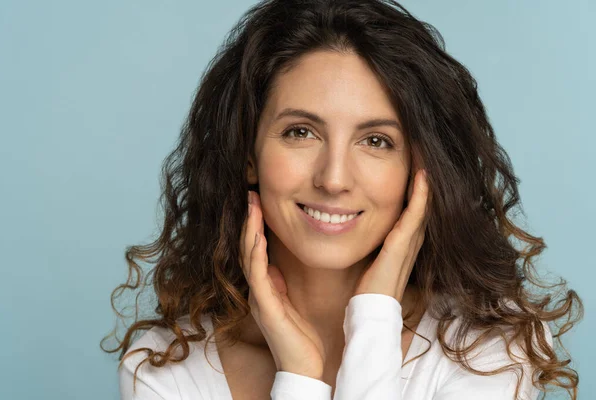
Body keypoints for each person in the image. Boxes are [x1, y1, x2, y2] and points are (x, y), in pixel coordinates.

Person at [100, 0, 583, 399]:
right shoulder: (165, 372)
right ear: (248, 155)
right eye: (301, 132)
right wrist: (300, 373)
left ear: (421, 171)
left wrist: (372, 322)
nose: (333, 179)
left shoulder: (485, 353)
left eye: (375, 141)